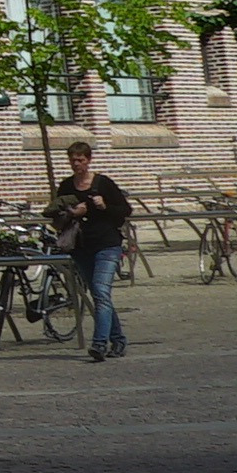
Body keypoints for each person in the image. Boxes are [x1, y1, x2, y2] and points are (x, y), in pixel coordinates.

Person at [49, 141, 135, 361]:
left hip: (107, 245)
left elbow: (125, 211)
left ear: (89, 160)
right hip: (80, 247)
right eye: (72, 160)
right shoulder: (67, 186)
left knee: (100, 291)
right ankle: (118, 339)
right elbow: (55, 217)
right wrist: (72, 212)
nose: (76, 164)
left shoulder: (103, 183)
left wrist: (105, 206)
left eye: (80, 160)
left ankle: (99, 343)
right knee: (99, 295)